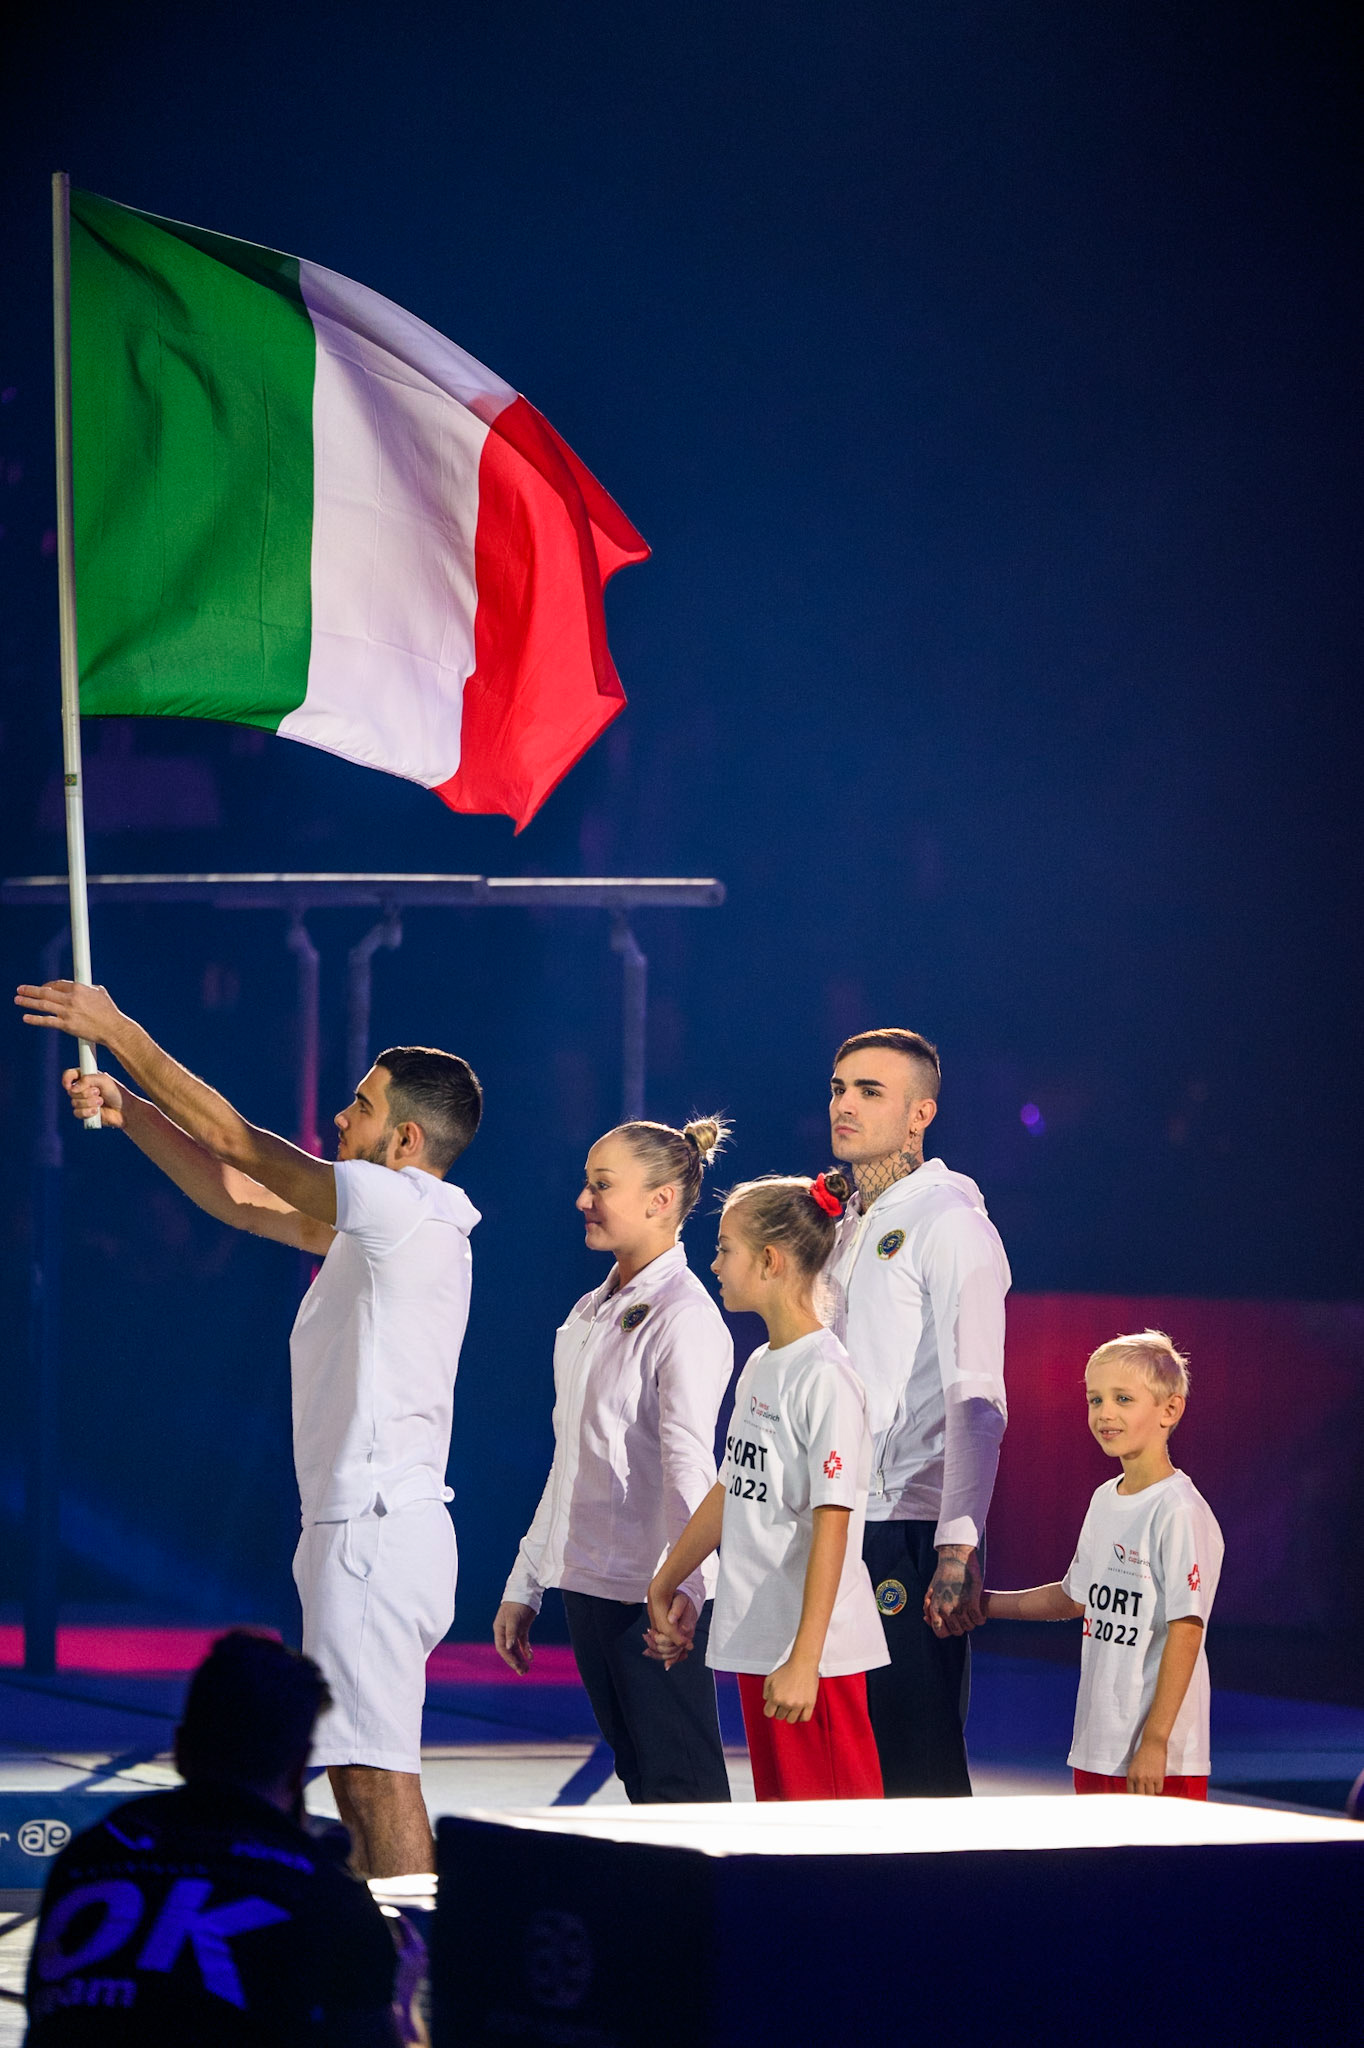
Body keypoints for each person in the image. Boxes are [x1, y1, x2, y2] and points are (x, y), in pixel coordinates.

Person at [15, 977, 482, 1877]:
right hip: (361, 1529)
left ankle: (416, 1986)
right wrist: (132, 1111)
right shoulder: (384, 1233)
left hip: (376, 1531)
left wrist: (121, 1032)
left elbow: (240, 1143)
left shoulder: (404, 1207)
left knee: (375, 1777)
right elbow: (235, 1197)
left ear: (408, 1140)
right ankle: (386, 1970)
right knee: (356, 1773)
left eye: (361, 1104)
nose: (343, 1118)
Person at [25, 1629, 422, 2045]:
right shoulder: (327, 1897)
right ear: (299, 1765)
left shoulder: (92, 1854)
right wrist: (403, 2003)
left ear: (179, 1748)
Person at [494, 1117, 734, 1803]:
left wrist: (685, 1588)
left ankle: (710, 1911)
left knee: (681, 1787)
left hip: (650, 1597)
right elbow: (570, 1459)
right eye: (586, 1183)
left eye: (602, 1185)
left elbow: (693, 1464)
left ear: (660, 1201)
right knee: (641, 1780)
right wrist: (526, 1583)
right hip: (588, 1587)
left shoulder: (683, 1316)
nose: (582, 1199)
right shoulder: (589, 1311)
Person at [648, 1172, 887, 1801]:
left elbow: (835, 1525)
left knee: (837, 1848)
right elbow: (735, 1486)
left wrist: (806, 1658)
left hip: (813, 1658)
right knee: (783, 1840)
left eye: (726, 1248)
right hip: (760, 1643)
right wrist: (667, 1580)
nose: (715, 1261)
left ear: (771, 1260)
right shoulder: (762, 1363)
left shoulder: (826, 1376)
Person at [824, 1027, 1010, 1797]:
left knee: (916, 1763)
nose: (844, 1104)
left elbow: (978, 1396)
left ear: (918, 1114)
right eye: (838, 1088)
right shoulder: (845, 1225)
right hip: (839, 1514)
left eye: (870, 1091)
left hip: (906, 1523)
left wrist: (958, 1547)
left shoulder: (948, 1221)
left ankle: (951, 1916)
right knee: (845, 1766)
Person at [974, 1330, 1223, 1798]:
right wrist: (982, 1605)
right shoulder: (1104, 1499)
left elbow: (1188, 1629)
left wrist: (1155, 1742)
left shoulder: (1179, 1510)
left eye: (1123, 1399)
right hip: (1098, 1745)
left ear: (1169, 1410)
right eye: (1095, 1399)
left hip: (1158, 1757)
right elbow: (1074, 1598)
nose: (1105, 1413)